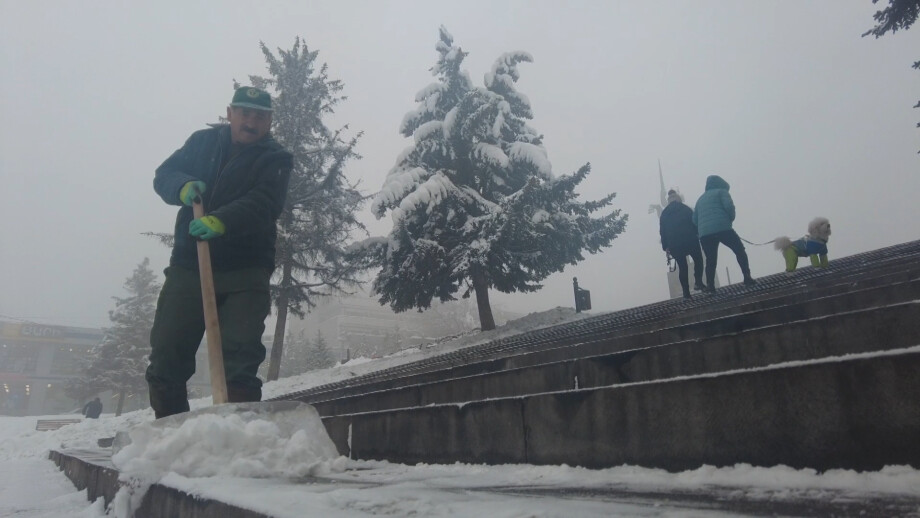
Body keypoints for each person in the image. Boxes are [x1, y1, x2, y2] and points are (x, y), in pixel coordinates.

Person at [146, 86, 293, 419]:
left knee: (239, 358)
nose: (251, 121)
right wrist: (181, 185)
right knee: (167, 352)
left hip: (246, 271)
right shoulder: (202, 143)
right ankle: (172, 433)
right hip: (189, 265)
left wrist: (222, 220)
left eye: (259, 116)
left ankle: (233, 436)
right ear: (230, 114)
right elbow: (164, 175)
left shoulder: (276, 158)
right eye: (244, 113)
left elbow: (265, 204)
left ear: (269, 121)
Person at [693, 175, 756, 292]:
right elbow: (729, 207)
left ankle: (710, 286)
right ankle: (747, 276)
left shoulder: (700, 199)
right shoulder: (722, 192)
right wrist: (730, 220)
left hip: (705, 234)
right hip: (723, 228)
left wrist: (703, 228)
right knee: (739, 250)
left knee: (710, 259)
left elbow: (694, 219)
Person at [659, 189, 706, 299]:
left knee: (682, 267)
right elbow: (694, 222)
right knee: (698, 259)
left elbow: (662, 231)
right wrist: (698, 234)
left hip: (675, 244)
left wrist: (665, 247)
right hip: (690, 240)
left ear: (669, 200)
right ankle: (698, 281)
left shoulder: (664, 214)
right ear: (677, 198)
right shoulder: (685, 209)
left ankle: (686, 292)